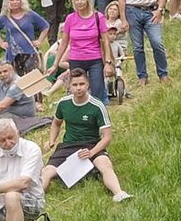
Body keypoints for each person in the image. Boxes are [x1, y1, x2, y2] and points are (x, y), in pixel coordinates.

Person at [41, 69, 131, 202]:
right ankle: (34, 198)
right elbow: (56, 123)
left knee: (105, 165)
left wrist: (92, 152)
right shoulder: (63, 103)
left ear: (88, 84)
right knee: (47, 171)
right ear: (69, 86)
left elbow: (107, 137)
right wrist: (51, 140)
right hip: (67, 146)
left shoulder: (97, 105)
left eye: (82, 84)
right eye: (75, 85)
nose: (78, 88)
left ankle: (118, 193)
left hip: (92, 144)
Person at [48, 0, 114, 104]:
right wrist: (55, 64)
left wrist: (108, 63)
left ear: (88, 0)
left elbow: (105, 40)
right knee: (78, 90)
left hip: (95, 59)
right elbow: (64, 43)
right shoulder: (70, 18)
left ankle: (98, 113)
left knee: (97, 90)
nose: (79, 2)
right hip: (76, 59)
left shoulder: (98, 17)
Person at [115, 0, 169, 85]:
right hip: (132, 11)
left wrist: (160, 9)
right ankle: (142, 77)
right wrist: (123, 18)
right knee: (138, 46)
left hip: (151, 11)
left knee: (157, 43)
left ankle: (163, 74)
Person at [0, 0, 50, 76]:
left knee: (32, 77)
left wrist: (39, 41)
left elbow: (45, 26)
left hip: (30, 52)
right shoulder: (4, 18)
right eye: (12, 0)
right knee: (18, 80)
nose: (15, 2)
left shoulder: (30, 14)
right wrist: (1, 44)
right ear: (7, 2)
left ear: (22, 1)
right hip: (13, 55)